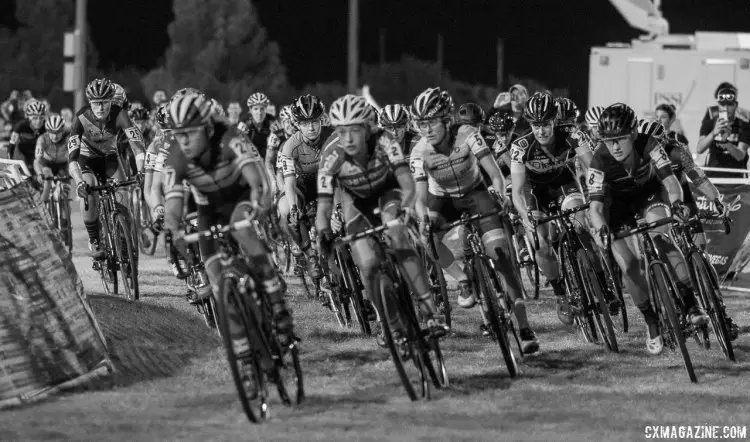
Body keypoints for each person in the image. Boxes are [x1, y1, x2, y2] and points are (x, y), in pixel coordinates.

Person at [409, 87, 539, 353]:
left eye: (432, 122)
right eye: (422, 124)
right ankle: (462, 279)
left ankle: (524, 327)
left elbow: (494, 173)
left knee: (500, 255)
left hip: (475, 193)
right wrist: (422, 218)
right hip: (442, 199)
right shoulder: (419, 152)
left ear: (446, 119)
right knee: (427, 236)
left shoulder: (468, 134)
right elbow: (420, 199)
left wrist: (502, 195)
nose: (427, 129)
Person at [160, 91, 294, 349]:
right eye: (178, 134)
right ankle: (242, 348)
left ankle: (277, 305)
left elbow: (257, 182)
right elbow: (174, 203)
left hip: (241, 195)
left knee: (245, 232)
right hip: (208, 208)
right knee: (215, 276)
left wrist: (259, 208)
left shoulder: (229, 137)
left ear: (207, 128)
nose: (183, 141)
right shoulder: (176, 155)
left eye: (190, 132)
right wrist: (170, 229)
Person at [316, 94, 448, 341]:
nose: (347, 138)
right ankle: (389, 322)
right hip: (354, 203)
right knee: (367, 265)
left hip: (388, 193)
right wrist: (324, 229)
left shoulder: (385, 140)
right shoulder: (331, 154)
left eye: (354, 130)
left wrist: (406, 210)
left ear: (367, 127)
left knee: (398, 237)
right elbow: (323, 203)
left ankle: (430, 311)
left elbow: (407, 184)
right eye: (341, 131)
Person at [588, 103, 709, 354]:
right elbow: (596, 208)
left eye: (620, 139)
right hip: (617, 207)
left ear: (633, 134)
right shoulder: (599, 159)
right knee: (630, 265)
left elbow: (671, 182)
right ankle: (652, 323)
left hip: (649, 196)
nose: (615, 146)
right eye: (609, 141)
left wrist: (676, 203)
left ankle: (691, 305)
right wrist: (600, 229)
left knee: (661, 237)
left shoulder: (650, 145)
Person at [510, 92, 619, 325]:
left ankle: (603, 284)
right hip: (534, 192)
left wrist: (601, 195)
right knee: (540, 243)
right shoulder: (521, 146)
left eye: (546, 124)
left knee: (581, 225)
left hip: (564, 184)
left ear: (555, 120)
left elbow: (593, 167)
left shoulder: (571, 134)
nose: (541, 131)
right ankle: (561, 294)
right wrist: (523, 215)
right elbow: (517, 190)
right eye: (535, 125)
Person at [68, 78, 145, 258]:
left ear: (112, 101)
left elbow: (137, 146)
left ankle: (123, 238)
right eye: (96, 103)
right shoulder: (80, 118)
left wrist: (141, 171)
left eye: (105, 102)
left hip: (110, 159)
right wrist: (79, 182)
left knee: (123, 194)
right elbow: (72, 158)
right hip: (85, 160)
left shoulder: (120, 114)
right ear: (90, 103)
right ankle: (94, 239)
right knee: (90, 189)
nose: (101, 107)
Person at [278, 94, 333, 279]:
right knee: (286, 209)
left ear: (321, 119)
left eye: (315, 121)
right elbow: (289, 183)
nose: (311, 127)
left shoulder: (333, 135)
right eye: (305, 122)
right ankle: (310, 256)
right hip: (305, 185)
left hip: (330, 180)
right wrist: (294, 209)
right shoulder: (289, 146)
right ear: (297, 124)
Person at [696, 83, 750, 178]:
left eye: (729, 105)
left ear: (735, 105)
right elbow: (699, 149)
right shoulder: (710, 123)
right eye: (722, 104)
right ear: (717, 105)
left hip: (737, 179)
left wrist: (726, 143)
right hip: (713, 176)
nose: (725, 108)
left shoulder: (743, 125)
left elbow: (740, 156)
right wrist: (714, 133)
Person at [34, 114, 70, 202]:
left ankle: (65, 206)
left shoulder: (68, 138)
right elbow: (37, 160)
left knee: (66, 187)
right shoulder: (42, 139)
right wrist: (39, 174)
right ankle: (43, 206)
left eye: (58, 132)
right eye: (51, 132)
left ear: (63, 131)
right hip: (47, 164)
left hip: (62, 165)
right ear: (47, 131)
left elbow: (74, 158)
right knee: (48, 178)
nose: (55, 136)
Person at [7, 99, 47, 177]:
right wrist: (10, 162)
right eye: (35, 118)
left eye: (41, 118)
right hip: (24, 153)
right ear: (29, 118)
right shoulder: (20, 126)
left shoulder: (47, 126)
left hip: (38, 153)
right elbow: (11, 145)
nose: (38, 121)